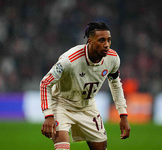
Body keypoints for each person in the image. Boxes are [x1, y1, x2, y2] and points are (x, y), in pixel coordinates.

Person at [40, 21, 131, 150]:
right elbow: (45, 83)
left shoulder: (113, 58)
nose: (106, 45)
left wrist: (123, 115)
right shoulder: (69, 60)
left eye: (109, 40)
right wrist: (48, 115)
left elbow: (115, 84)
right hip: (61, 104)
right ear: (90, 41)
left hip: (87, 106)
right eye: (101, 40)